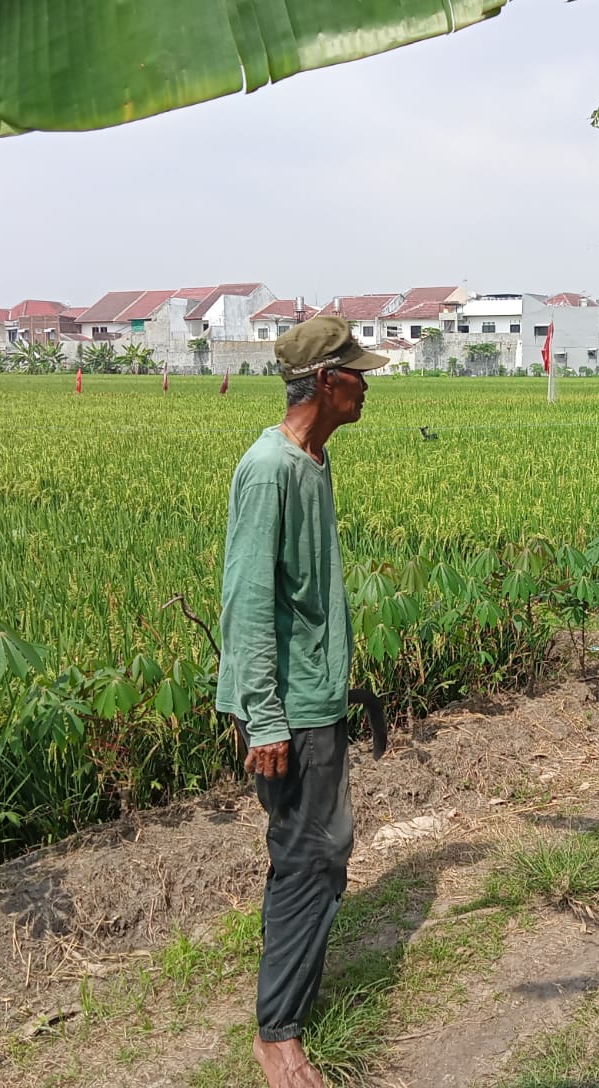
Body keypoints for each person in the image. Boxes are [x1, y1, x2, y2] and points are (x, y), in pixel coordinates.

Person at [217, 316, 387, 1088]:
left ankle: (290, 1000)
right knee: (312, 855)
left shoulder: (312, 462)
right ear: (325, 381)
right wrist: (264, 717)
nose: (365, 384)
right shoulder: (270, 470)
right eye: (356, 373)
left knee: (313, 852)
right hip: (290, 706)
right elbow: (247, 604)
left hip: (315, 697)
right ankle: (277, 1032)